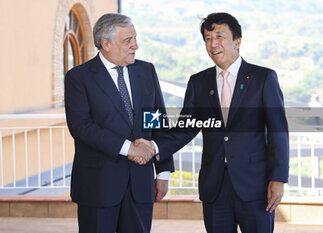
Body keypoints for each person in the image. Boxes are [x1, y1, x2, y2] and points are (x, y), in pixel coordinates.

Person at [135, 12, 289, 233]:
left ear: (237, 40)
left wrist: (278, 179)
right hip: (214, 188)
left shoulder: (263, 78)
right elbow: (185, 129)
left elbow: (278, 132)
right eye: (207, 38)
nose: (213, 44)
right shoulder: (198, 82)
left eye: (219, 36)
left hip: (255, 187)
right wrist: (155, 146)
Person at [64, 13, 174, 233]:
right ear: (106, 44)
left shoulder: (146, 71)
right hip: (98, 186)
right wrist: (128, 148)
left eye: (135, 38)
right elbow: (82, 127)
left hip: (140, 185)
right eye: (128, 40)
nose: (136, 45)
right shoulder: (79, 77)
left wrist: (163, 172)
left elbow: (157, 122)